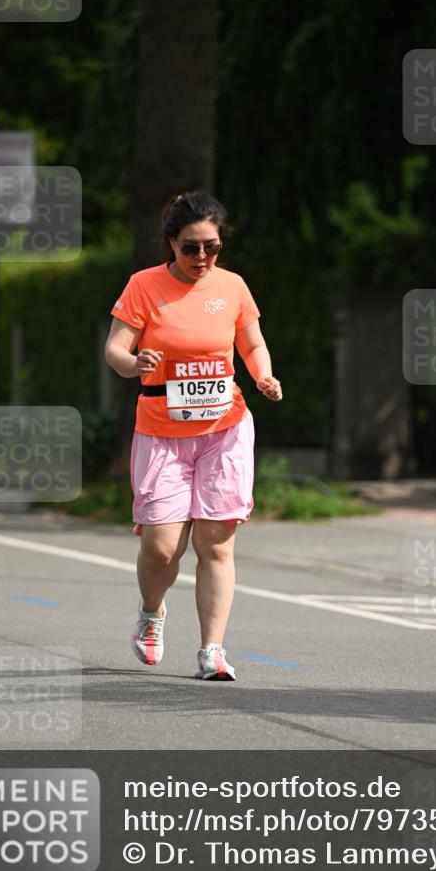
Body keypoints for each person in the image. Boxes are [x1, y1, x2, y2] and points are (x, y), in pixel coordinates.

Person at [105, 191, 282, 681]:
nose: (202, 257)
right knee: (163, 548)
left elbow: (252, 342)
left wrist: (263, 375)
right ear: (171, 244)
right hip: (162, 430)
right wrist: (132, 362)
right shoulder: (144, 286)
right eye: (191, 248)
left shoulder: (233, 287)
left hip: (223, 428)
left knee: (217, 542)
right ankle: (152, 611)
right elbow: (115, 348)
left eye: (212, 246)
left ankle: (212, 650)